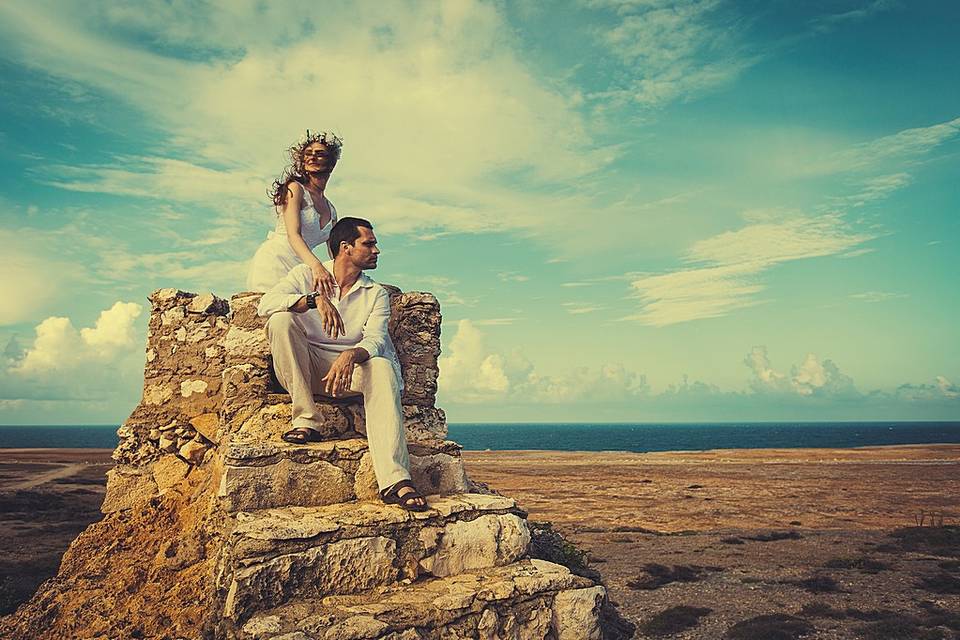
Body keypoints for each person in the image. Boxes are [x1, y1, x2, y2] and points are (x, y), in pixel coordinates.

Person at [256, 217, 427, 512]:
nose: (377, 250)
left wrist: (351, 355)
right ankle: (306, 420)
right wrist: (313, 301)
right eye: (369, 243)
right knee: (281, 320)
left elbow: (375, 339)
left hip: (351, 373)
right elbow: (265, 305)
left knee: (382, 366)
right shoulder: (303, 274)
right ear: (346, 248)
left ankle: (395, 479)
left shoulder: (376, 294)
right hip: (308, 368)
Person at [246, 131, 342, 298]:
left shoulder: (331, 210)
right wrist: (317, 267)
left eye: (319, 154)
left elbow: (335, 254)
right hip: (276, 260)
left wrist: (347, 278)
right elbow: (293, 235)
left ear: (331, 163)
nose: (312, 157)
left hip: (303, 267)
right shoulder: (296, 188)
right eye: (308, 154)